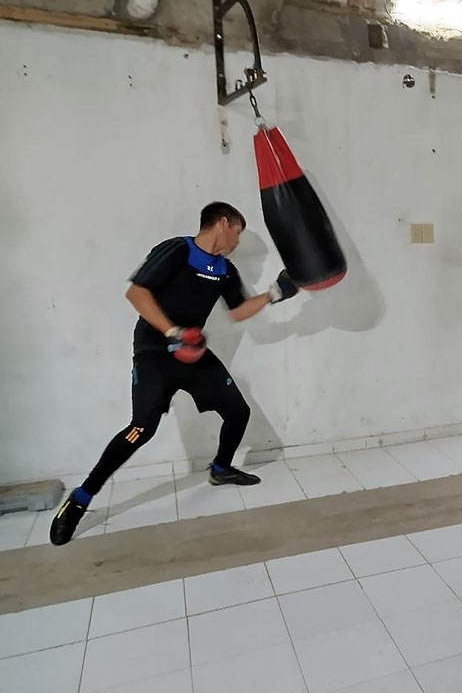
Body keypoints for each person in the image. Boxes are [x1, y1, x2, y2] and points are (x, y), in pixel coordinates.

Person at [50, 202, 299, 545]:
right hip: (155, 351)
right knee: (141, 429)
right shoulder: (177, 250)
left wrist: (275, 293)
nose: (237, 241)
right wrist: (172, 332)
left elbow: (238, 311)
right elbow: (137, 293)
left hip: (193, 350)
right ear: (222, 223)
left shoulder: (225, 270)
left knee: (238, 412)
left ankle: (220, 469)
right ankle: (80, 499)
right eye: (237, 232)